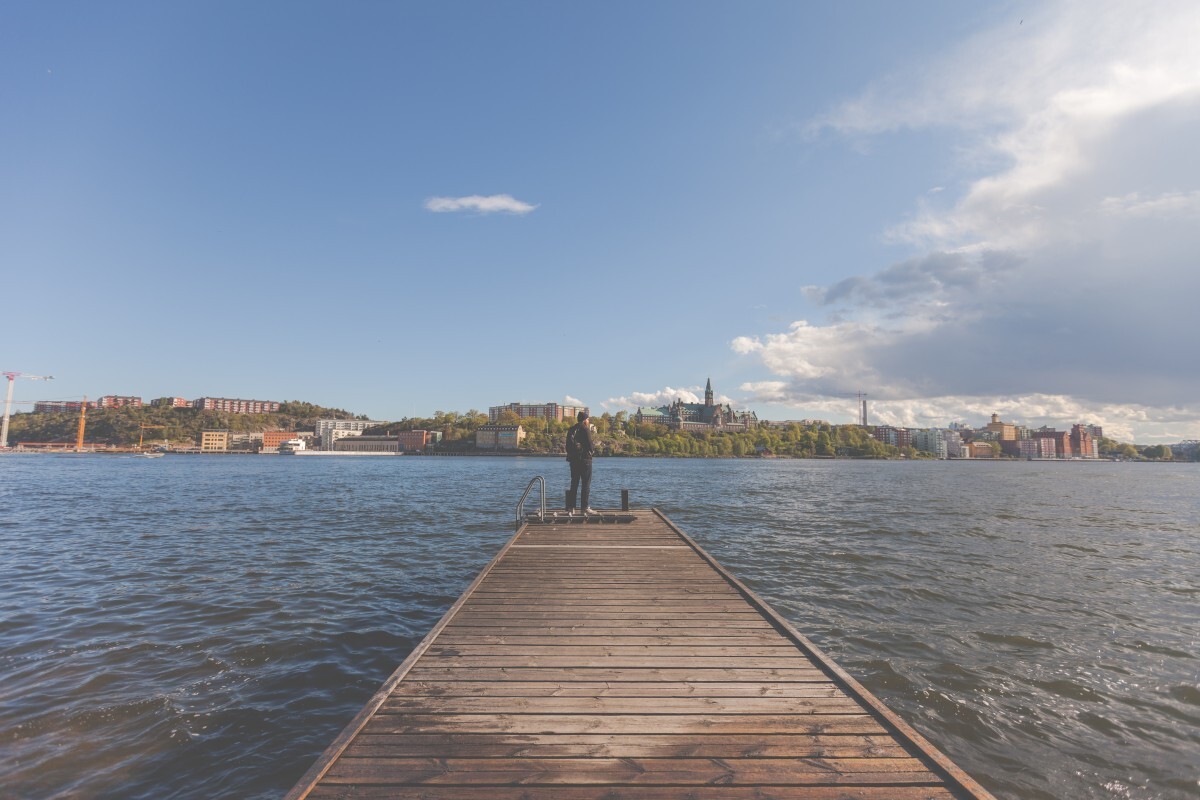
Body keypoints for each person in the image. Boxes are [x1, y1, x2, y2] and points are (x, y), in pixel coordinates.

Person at [565, 410, 595, 514]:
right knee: (585, 484)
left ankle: (571, 508)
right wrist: (591, 451)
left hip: (573, 461)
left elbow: (567, 446)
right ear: (585, 420)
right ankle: (584, 508)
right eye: (588, 419)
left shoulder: (571, 429)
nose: (588, 420)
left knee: (574, 484)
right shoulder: (585, 429)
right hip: (585, 460)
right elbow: (590, 445)